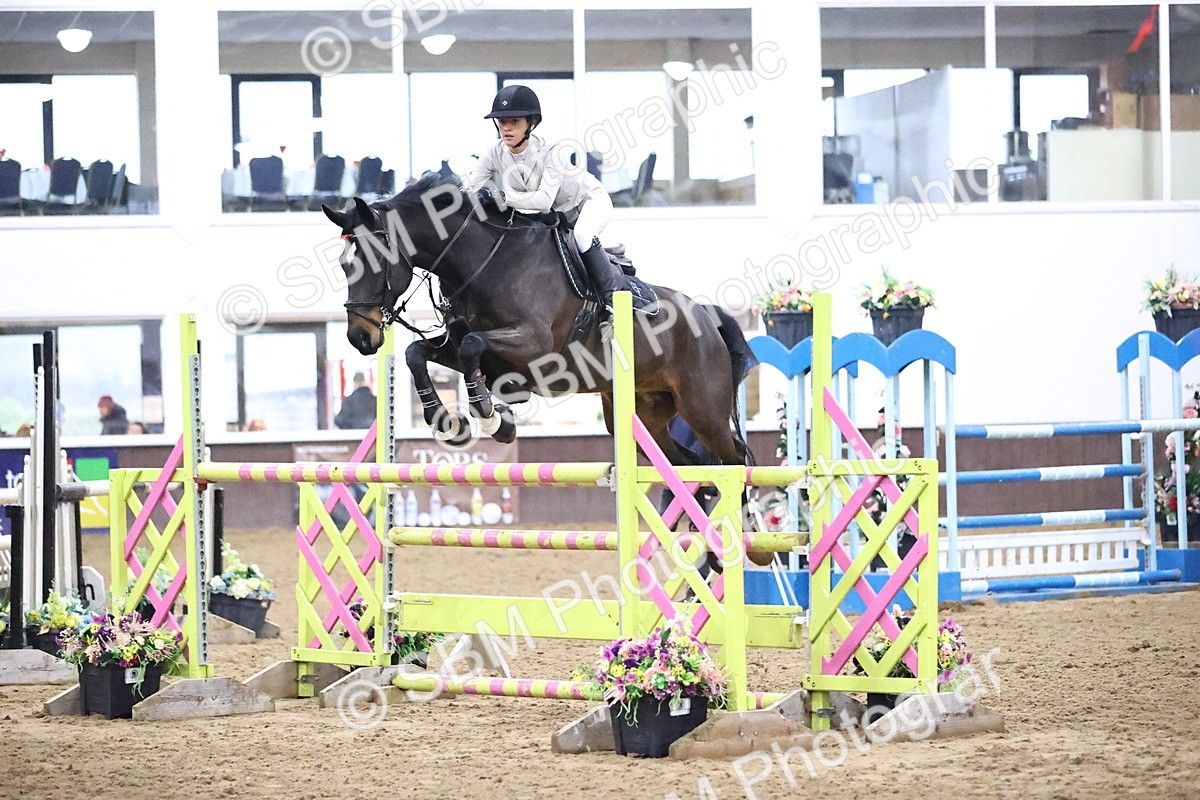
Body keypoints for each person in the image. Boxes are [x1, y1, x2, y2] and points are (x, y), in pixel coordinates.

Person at [465, 84, 632, 335]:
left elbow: (543, 200)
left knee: (583, 237)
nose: (506, 128)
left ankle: (611, 302)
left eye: (514, 121)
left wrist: (500, 196)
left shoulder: (551, 151)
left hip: (587, 203)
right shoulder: (493, 152)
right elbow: (467, 186)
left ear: (531, 124)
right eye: (501, 122)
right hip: (554, 216)